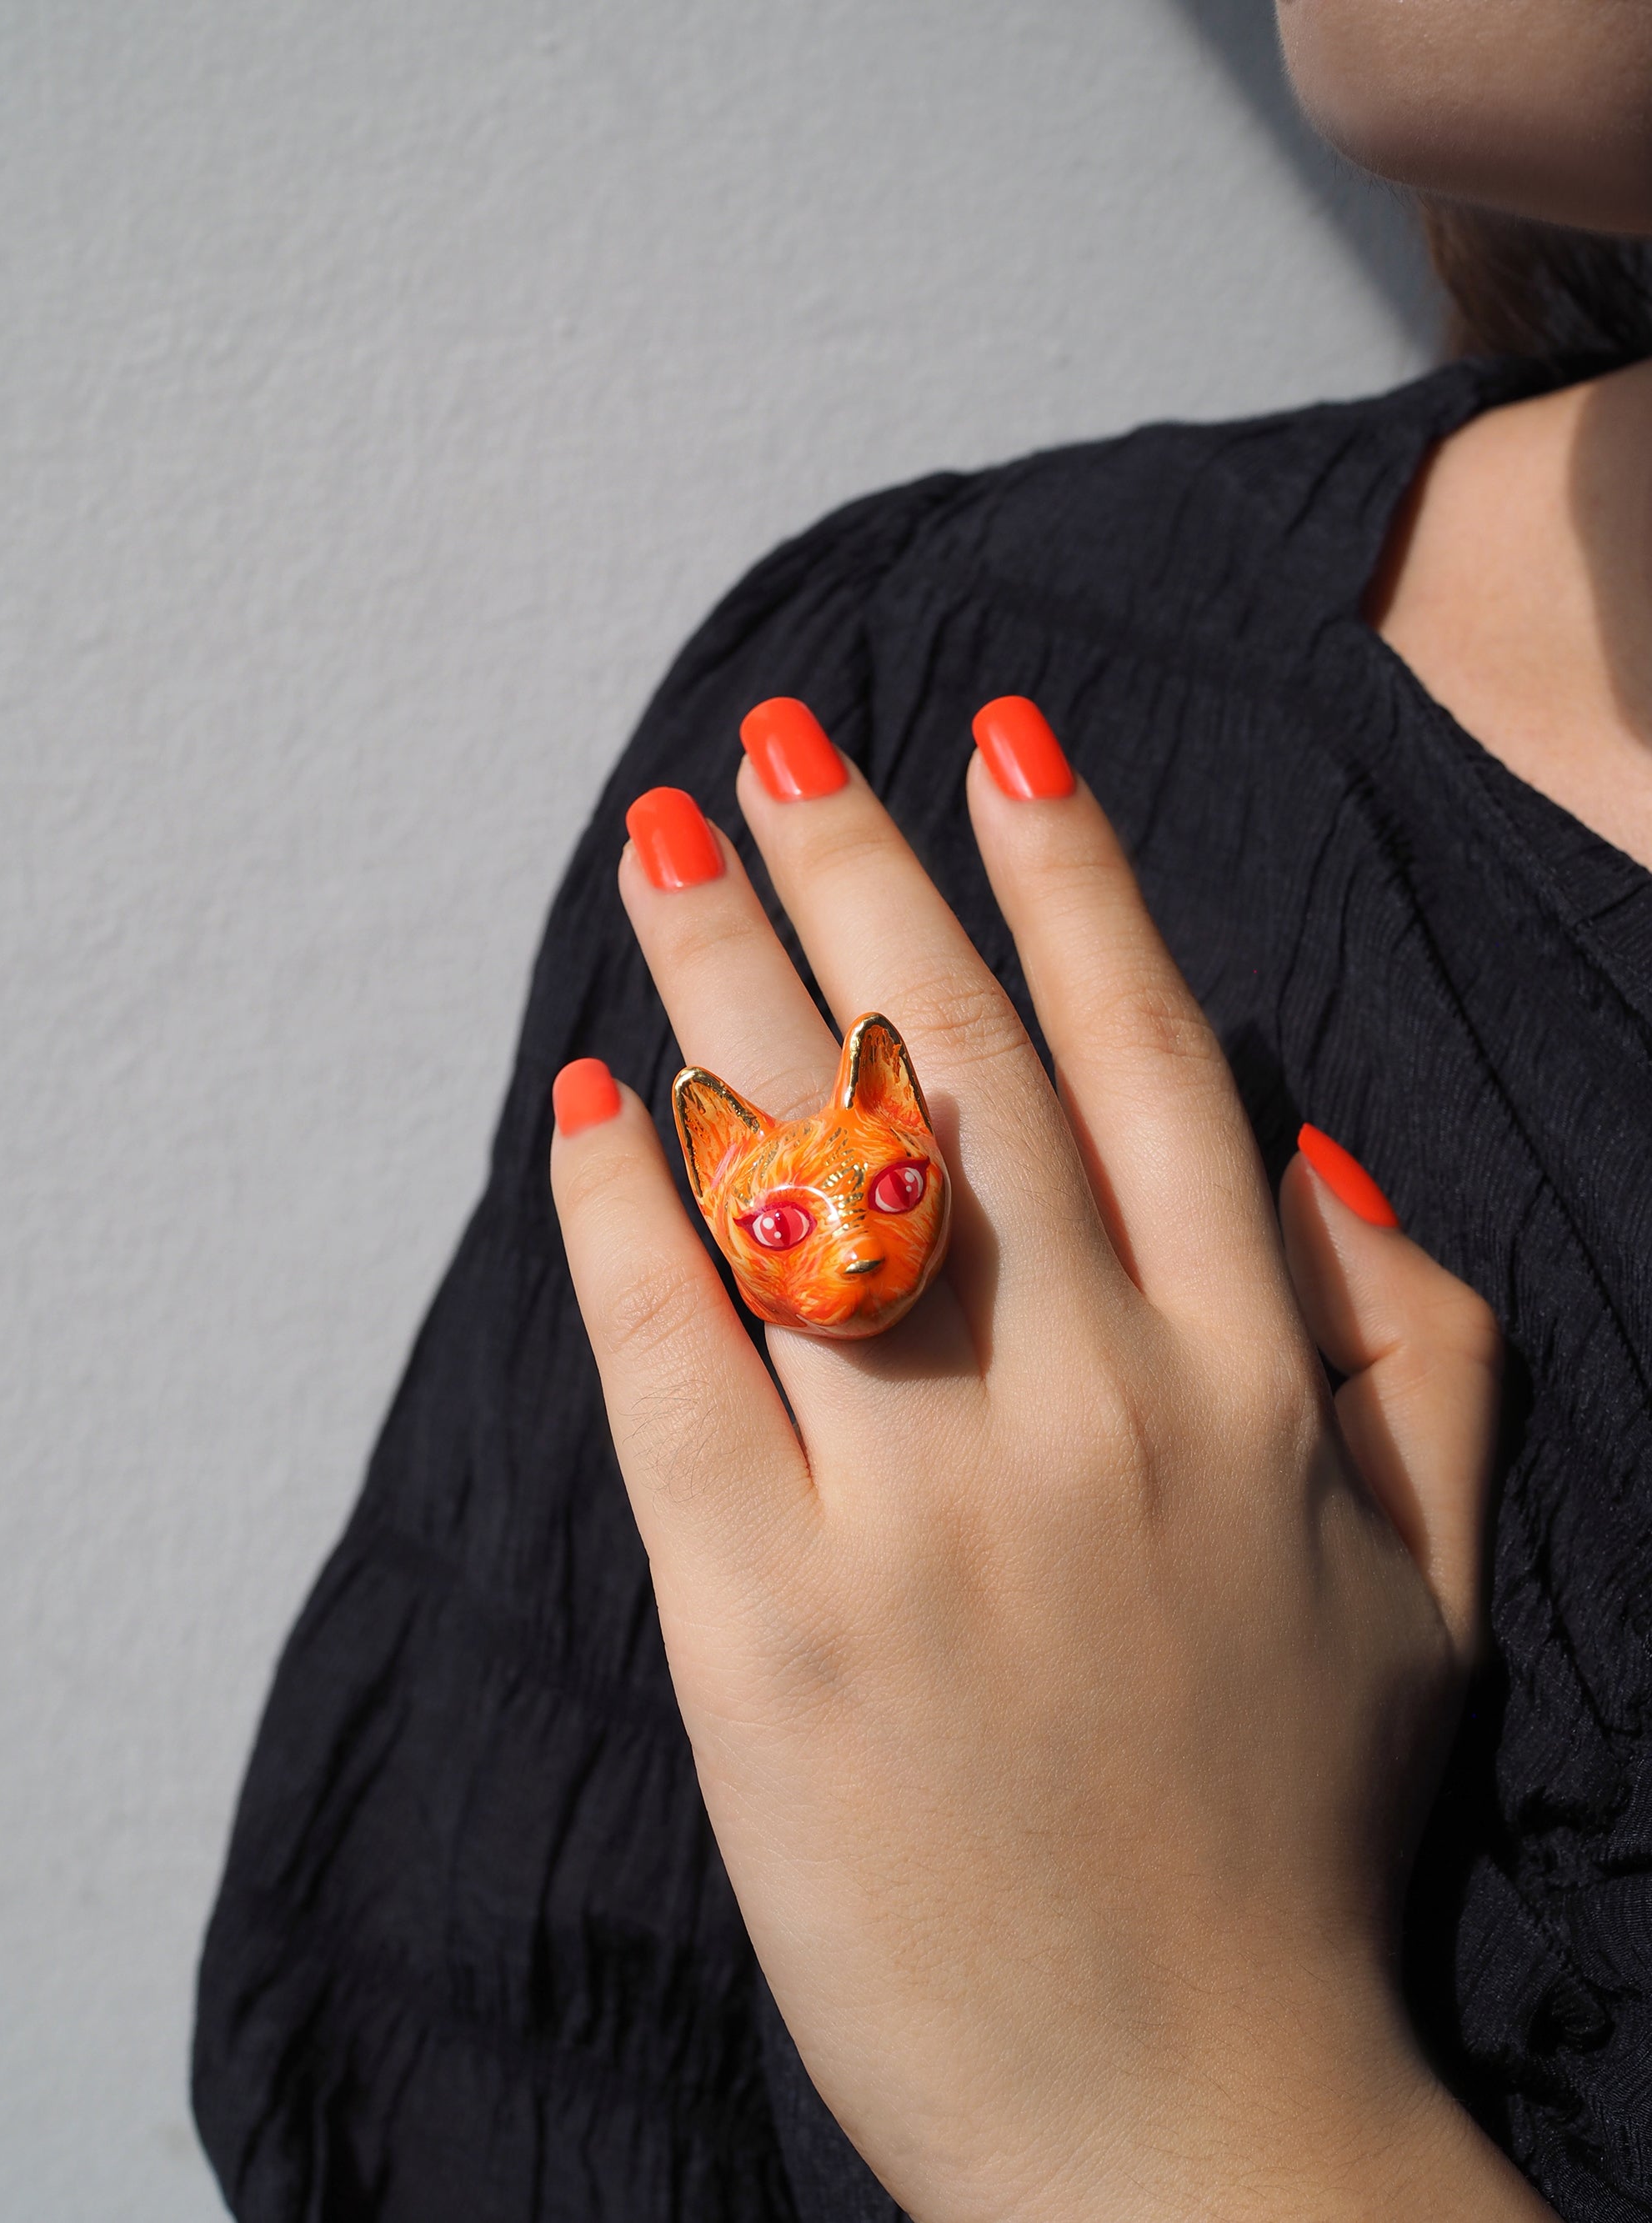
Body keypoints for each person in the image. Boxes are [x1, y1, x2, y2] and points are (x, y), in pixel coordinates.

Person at [193, 5, 1652, 2217]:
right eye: (832, 1221)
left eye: (873, 1205)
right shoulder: (932, 716)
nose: (871, 1252)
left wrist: (1213, 2111)